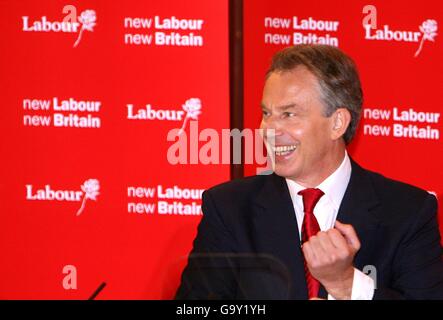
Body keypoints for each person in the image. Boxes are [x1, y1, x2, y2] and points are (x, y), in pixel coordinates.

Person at [175, 44, 443, 300]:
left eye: (289, 114)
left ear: (337, 123)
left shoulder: (408, 212)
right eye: (267, 113)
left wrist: (346, 284)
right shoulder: (230, 208)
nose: (268, 129)